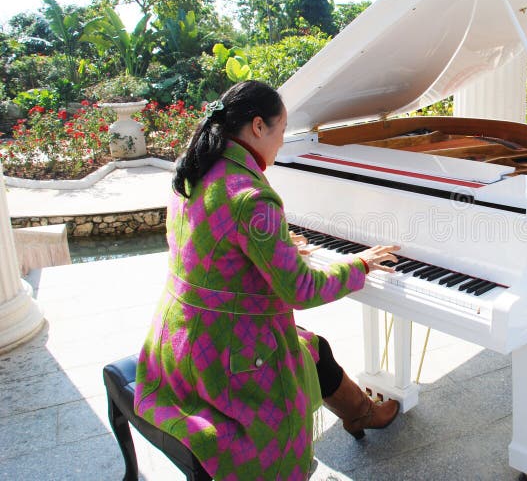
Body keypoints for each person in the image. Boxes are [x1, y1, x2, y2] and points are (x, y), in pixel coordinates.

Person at [134, 80, 401, 480]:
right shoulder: (250, 195)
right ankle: (359, 417)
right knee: (302, 347)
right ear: (258, 126)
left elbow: (201, 243)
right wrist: (358, 265)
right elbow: (302, 289)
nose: (281, 143)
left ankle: (361, 415)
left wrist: (274, 247)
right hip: (223, 360)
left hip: (177, 339)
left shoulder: (194, 167)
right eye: (282, 130)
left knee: (315, 344)